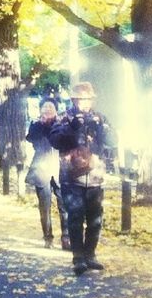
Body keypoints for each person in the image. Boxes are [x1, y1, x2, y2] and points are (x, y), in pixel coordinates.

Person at [48, 81, 112, 275]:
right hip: (71, 176)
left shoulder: (100, 118)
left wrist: (102, 129)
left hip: (95, 175)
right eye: (82, 99)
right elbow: (55, 141)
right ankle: (78, 257)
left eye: (88, 99)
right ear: (74, 100)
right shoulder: (63, 118)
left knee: (95, 218)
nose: (85, 103)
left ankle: (90, 254)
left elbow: (111, 141)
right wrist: (73, 128)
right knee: (75, 216)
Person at [25, 99, 65, 248]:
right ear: (40, 109)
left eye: (51, 106)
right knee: (44, 206)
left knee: (64, 204)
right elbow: (31, 138)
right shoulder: (36, 125)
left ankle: (66, 237)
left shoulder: (61, 124)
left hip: (60, 169)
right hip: (41, 169)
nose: (48, 109)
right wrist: (41, 124)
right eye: (45, 106)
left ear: (56, 109)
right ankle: (48, 237)